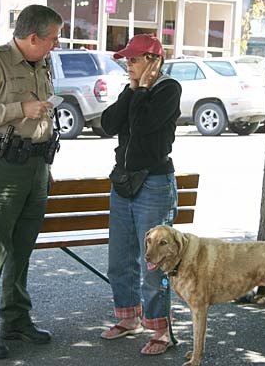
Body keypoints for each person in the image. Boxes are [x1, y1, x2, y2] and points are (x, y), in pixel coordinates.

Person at [0, 4, 63, 359]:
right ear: (33, 37)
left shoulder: (42, 61)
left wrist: (42, 162)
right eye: (52, 38)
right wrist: (21, 109)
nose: (56, 44)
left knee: (21, 249)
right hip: (0, 167)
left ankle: (15, 319)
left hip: (35, 165)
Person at [100, 34, 181, 356]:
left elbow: (144, 124)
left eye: (134, 59)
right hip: (124, 182)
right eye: (127, 60)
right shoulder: (132, 90)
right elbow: (109, 124)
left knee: (155, 263)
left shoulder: (168, 88)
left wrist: (143, 89)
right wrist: (132, 91)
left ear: (154, 61)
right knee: (120, 260)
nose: (128, 65)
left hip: (154, 183)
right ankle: (128, 317)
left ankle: (161, 328)